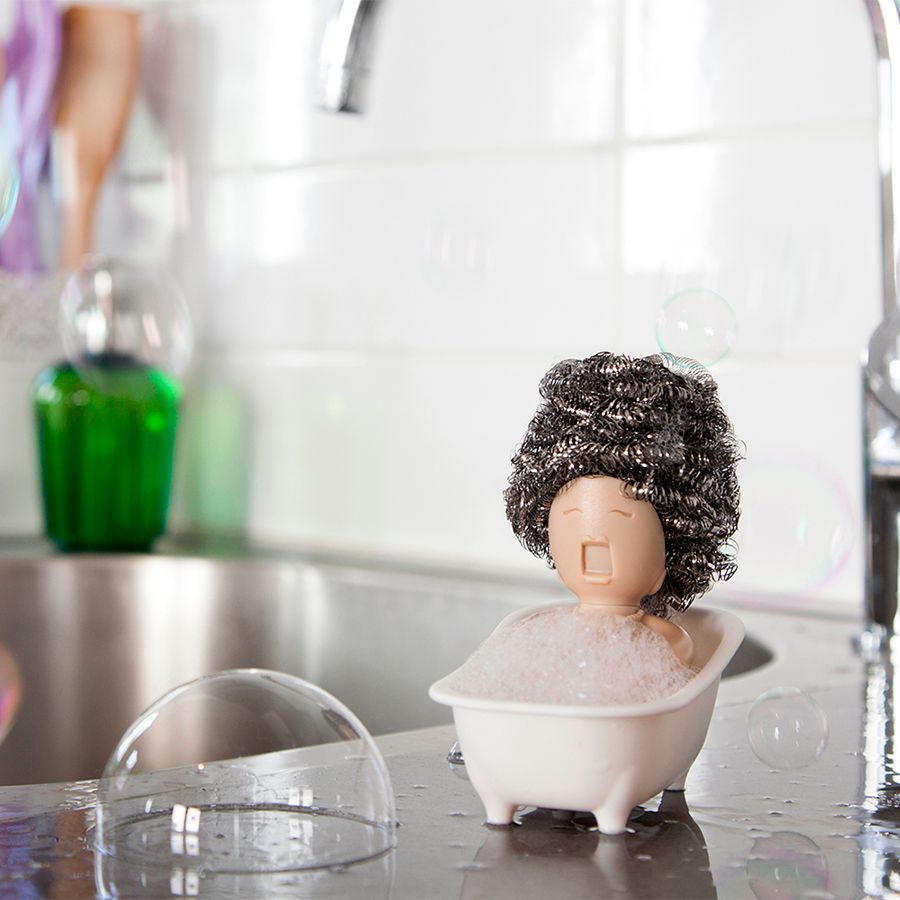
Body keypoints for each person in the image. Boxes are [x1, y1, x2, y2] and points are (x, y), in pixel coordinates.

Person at [504, 351, 741, 664]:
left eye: (621, 517)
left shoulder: (662, 641)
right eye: (571, 518)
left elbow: (677, 656)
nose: (593, 541)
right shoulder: (547, 635)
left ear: (675, 551)